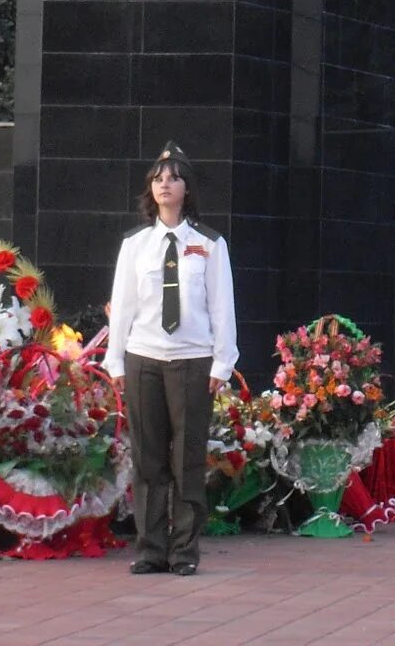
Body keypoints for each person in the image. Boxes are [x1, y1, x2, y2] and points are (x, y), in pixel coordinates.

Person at [105, 140, 238, 577]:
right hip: (144, 357)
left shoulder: (209, 245)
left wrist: (222, 363)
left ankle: (184, 551)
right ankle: (149, 549)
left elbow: (222, 307)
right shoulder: (136, 245)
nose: (166, 185)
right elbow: (122, 305)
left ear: (187, 188)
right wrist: (116, 362)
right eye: (159, 179)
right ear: (150, 189)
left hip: (192, 361)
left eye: (174, 178)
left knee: (187, 459)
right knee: (148, 460)